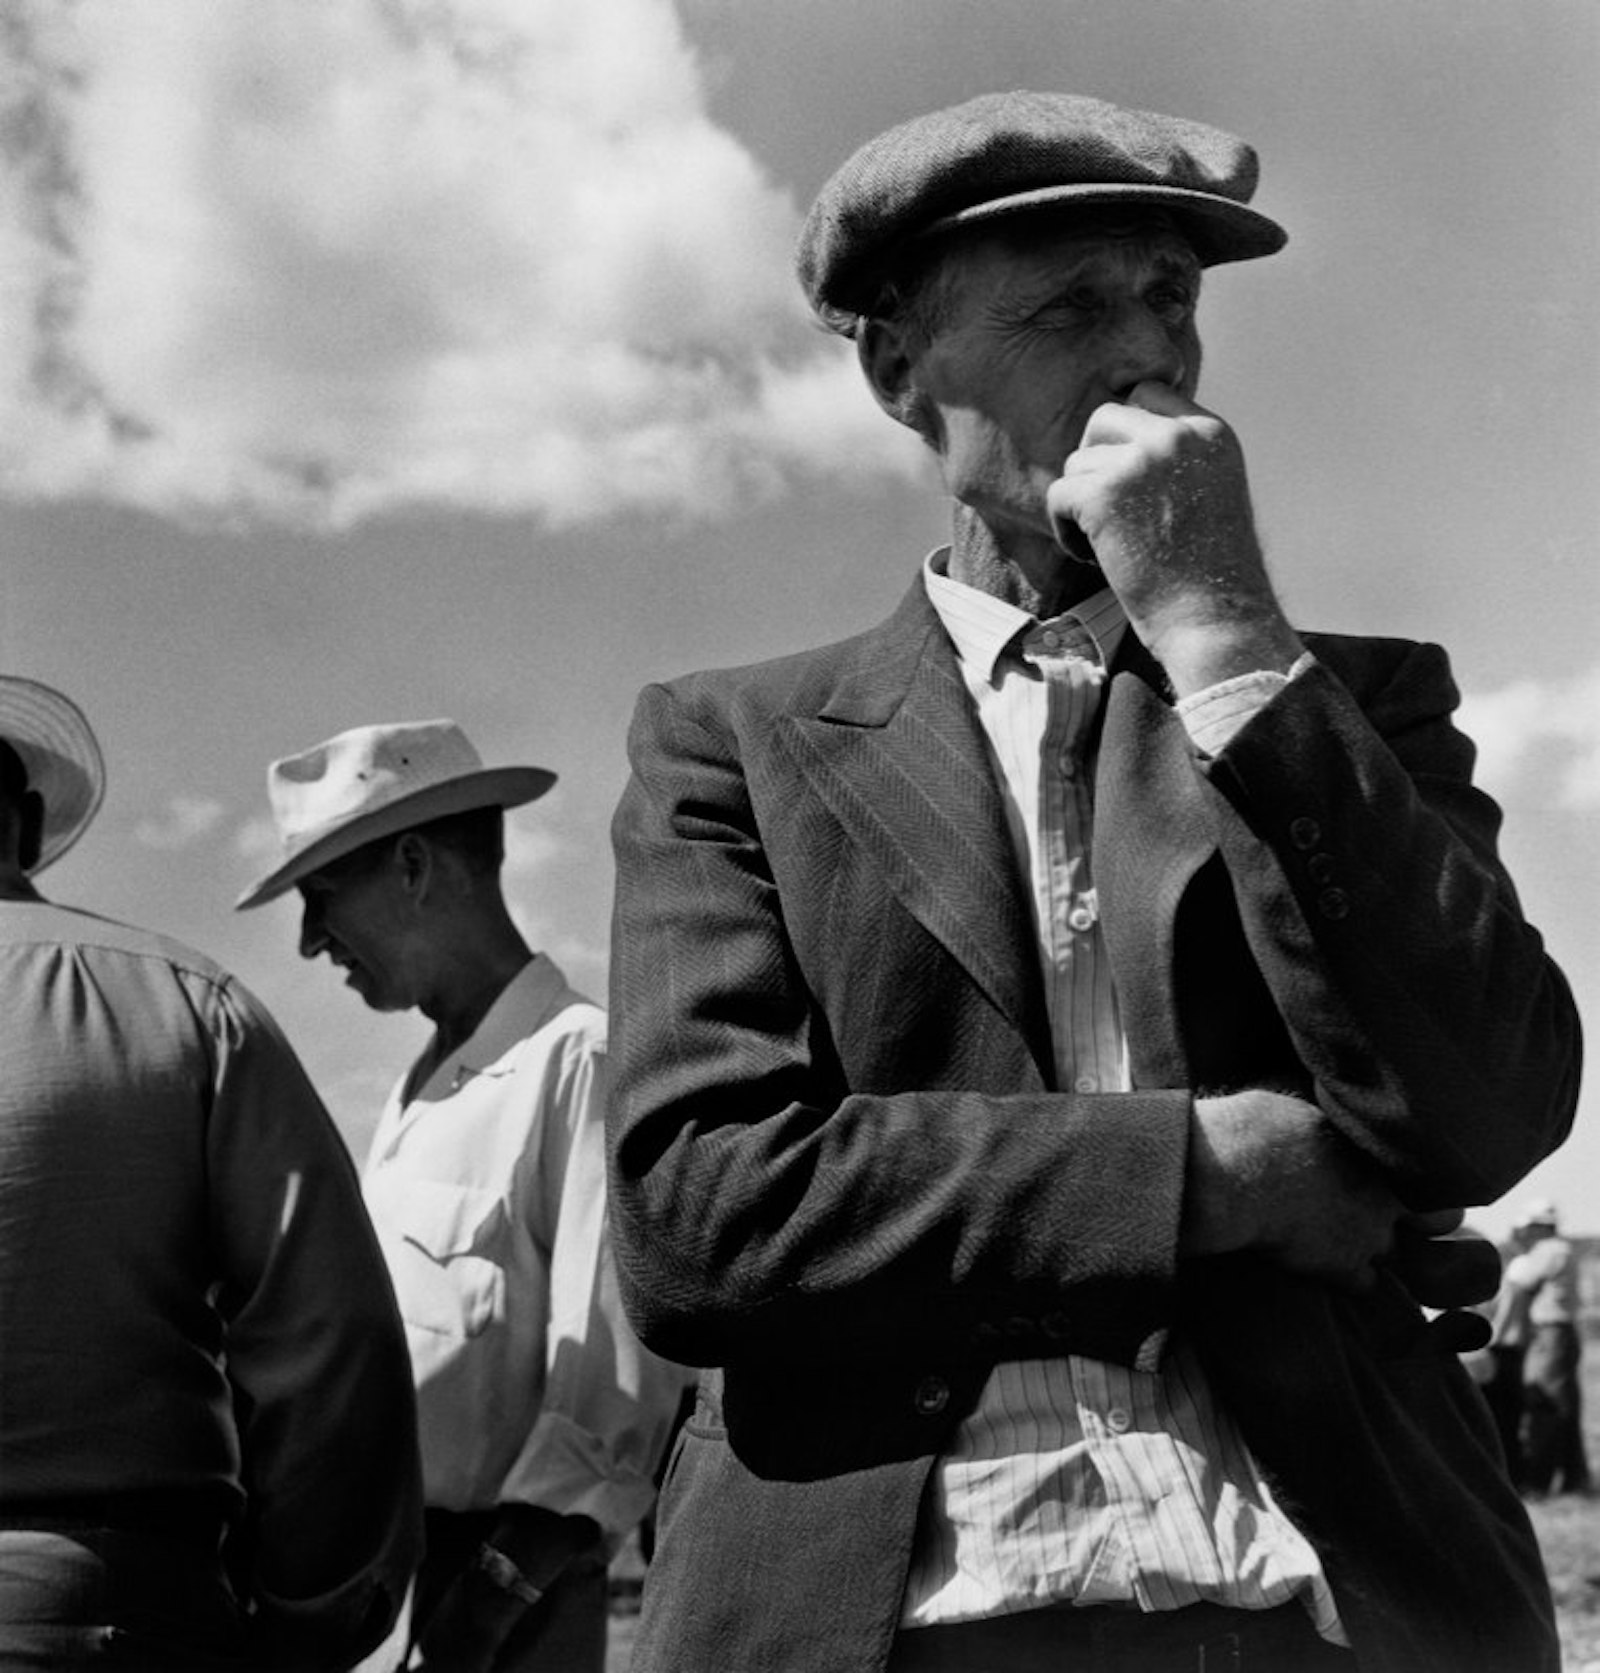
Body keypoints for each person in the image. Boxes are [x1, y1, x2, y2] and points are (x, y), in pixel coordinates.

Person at [604, 91, 1583, 1673]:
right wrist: (1215, 1177)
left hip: (1325, 1602)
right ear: (897, 369)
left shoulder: (1352, 701)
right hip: (891, 1618)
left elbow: (1489, 1105)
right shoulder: (738, 742)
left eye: (1172, 300)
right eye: (1071, 305)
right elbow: (699, 1213)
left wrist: (1229, 641)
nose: (1151, 356)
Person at [238, 719, 690, 1673]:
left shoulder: (577, 1061)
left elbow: (612, 1391)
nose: (314, 940)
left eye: (322, 894)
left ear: (411, 865)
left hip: (499, 1610)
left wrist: (483, 1610)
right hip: (404, 1600)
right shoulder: (418, 1092)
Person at [0, 674, 422, 1671]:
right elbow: (333, 1342)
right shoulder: (186, 1002)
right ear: (22, 821)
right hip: (109, 1613)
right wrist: (307, 1616)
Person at [1503, 1198, 1591, 1497]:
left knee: (1546, 1405)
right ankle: (1574, 1479)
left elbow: (1520, 1280)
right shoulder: (1562, 1249)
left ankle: (1539, 1481)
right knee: (1564, 1406)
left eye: (1528, 1228)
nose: (1524, 1235)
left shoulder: (1549, 1250)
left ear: (1540, 1226)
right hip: (1559, 1334)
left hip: (1550, 1334)